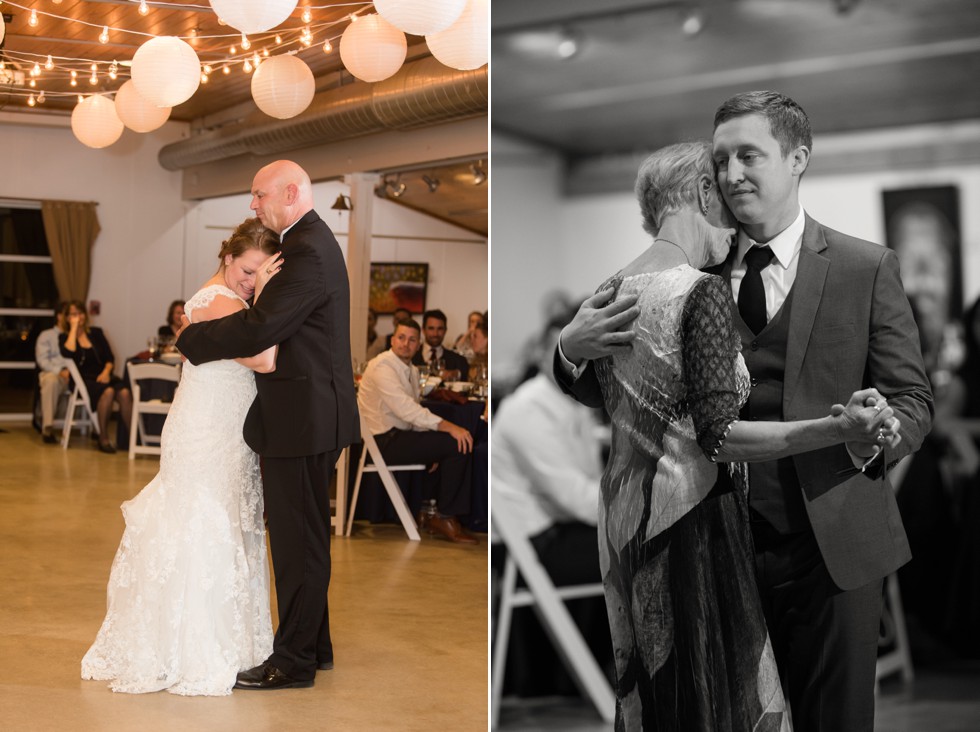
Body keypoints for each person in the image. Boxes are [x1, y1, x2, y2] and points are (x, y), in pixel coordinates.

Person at [558, 93, 934, 732]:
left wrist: (877, 435)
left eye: (749, 156)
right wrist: (567, 348)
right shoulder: (686, 271)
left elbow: (914, 399)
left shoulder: (863, 266)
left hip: (834, 546)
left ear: (797, 160)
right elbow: (610, 387)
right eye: (722, 159)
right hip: (715, 550)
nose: (732, 174)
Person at [176, 160, 359, 691]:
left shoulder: (306, 251)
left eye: (258, 196)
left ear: (290, 191)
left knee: (297, 544)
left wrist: (191, 340)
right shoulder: (305, 245)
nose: (253, 205)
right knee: (307, 541)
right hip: (310, 414)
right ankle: (314, 646)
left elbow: (261, 329)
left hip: (302, 418)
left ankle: (294, 661)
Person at [81, 218, 281, 695]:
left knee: (224, 524)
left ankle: (232, 641)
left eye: (262, 274)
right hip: (205, 431)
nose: (252, 281)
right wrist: (271, 293)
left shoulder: (230, 301)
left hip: (225, 430)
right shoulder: (216, 301)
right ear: (228, 258)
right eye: (249, 270)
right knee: (202, 526)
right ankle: (190, 646)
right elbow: (266, 359)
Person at [491, 303, 613, 697]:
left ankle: (592, 674)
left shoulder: (568, 401)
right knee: (638, 553)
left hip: (552, 528)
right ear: (544, 352)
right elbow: (575, 496)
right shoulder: (527, 409)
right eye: (559, 348)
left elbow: (586, 484)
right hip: (527, 544)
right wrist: (636, 509)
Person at [357, 318, 477, 544]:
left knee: (446, 443)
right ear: (393, 340)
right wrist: (449, 427)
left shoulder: (409, 369)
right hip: (381, 442)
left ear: (418, 344)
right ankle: (446, 517)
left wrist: (432, 439)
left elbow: (412, 414)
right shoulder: (383, 366)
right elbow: (406, 409)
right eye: (401, 337)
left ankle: (428, 511)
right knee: (456, 444)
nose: (406, 343)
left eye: (412, 340)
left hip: (396, 436)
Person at [59, 300, 133, 454]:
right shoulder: (63, 337)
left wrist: (106, 373)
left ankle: (132, 439)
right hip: (83, 380)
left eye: (80, 313)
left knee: (124, 393)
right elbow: (68, 353)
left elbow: (109, 358)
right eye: (73, 314)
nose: (78, 317)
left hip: (103, 375)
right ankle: (103, 438)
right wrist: (73, 329)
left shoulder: (96, 333)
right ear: (67, 318)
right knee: (108, 392)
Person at [35, 301, 69, 444]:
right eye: (69, 314)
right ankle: (47, 427)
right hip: (53, 373)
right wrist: (60, 371)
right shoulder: (46, 335)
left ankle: (95, 428)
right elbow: (42, 361)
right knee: (51, 381)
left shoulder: (78, 336)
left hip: (73, 375)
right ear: (59, 316)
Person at [412, 308, 470, 381]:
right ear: (423, 330)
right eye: (431, 328)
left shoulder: (458, 360)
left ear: (445, 330)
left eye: (440, 329)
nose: (435, 334)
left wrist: (456, 374)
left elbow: (465, 373)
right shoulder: (411, 356)